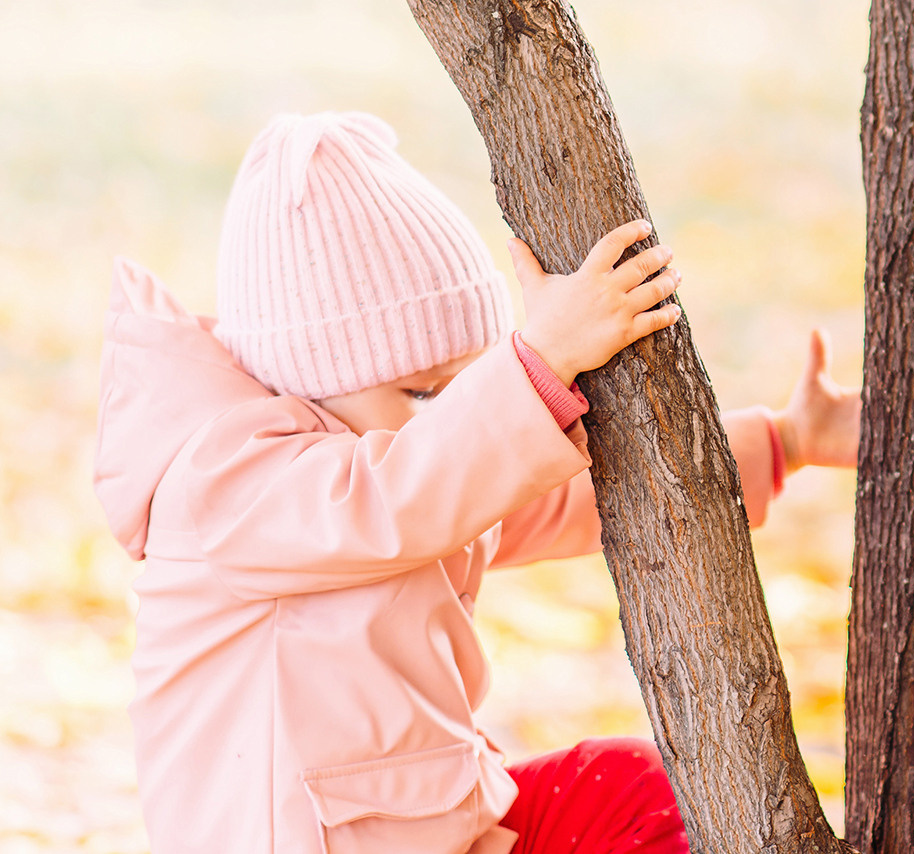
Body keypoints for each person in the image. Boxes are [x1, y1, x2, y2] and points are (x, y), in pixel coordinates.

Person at [93, 111, 859, 854]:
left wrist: (784, 440)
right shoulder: (228, 489)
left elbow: (557, 488)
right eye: (426, 392)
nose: (452, 414)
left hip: (438, 826)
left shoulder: (419, 466)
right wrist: (539, 360)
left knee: (629, 789)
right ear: (308, 382)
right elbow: (400, 495)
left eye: (468, 387)